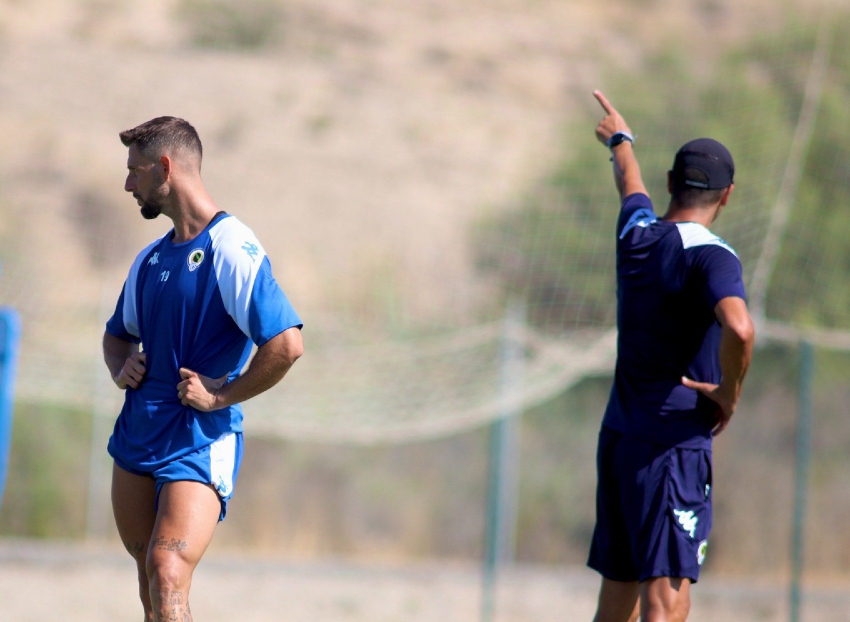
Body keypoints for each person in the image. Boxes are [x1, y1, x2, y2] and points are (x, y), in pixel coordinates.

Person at [103, 116, 304, 622]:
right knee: (153, 587)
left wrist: (221, 397)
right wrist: (121, 364)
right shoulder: (149, 259)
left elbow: (286, 344)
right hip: (137, 437)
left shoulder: (231, 246)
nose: (128, 183)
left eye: (135, 170)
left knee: (167, 569)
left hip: (198, 440)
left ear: (165, 168)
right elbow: (116, 335)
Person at [586, 91, 755, 622]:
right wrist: (729, 392)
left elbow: (628, 184)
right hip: (671, 447)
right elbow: (740, 327)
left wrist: (621, 141)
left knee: (616, 598)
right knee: (665, 602)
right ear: (727, 195)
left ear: (670, 184)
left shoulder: (636, 233)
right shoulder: (712, 256)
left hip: (619, 439)